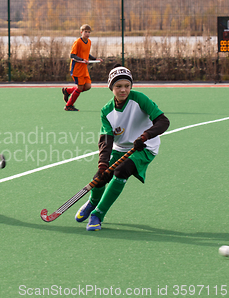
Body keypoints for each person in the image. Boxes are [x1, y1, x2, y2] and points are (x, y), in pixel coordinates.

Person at [74, 65, 170, 231]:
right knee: (101, 177)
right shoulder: (106, 111)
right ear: (111, 87)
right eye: (118, 86)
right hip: (120, 148)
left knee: (121, 171)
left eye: (127, 86)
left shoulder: (140, 99)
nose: (123, 90)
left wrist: (145, 136)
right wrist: (103, 165)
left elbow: (163, 121)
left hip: (144, 147)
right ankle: (92, 202)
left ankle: (98, 214)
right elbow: (106, 139)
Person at [62, 24, 102, 111]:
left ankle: (68, 91)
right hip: (77, 69)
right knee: (80, 88)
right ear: (81, 32)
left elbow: (87, 54)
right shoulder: (78, 42)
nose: (87, 34)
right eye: (85, 32)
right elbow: (72, 55)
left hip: (84, 69)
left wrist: (95, 59)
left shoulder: (89, 42)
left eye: (89, 32)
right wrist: (81, 59)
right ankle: (68, 106)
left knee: (87, 86)